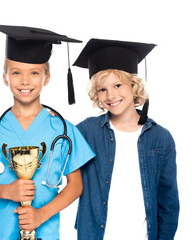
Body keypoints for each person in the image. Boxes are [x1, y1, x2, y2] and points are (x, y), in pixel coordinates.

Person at [0, 24, 95, 240]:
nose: (25, 81)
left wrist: (41, 214)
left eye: (34, 73)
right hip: (2, 233)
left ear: (47, 77)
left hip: (46, 232)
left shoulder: (63, 129)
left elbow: (76, 185)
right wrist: (6, 191)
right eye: (16, 73)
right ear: (5, 78)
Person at [73, 38, 180, 240]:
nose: (110, 95)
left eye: (117, 85)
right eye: (102, 89)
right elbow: (54, 147)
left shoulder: (161, 138)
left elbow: (168, 200)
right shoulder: (86, 131)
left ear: (134, 85)